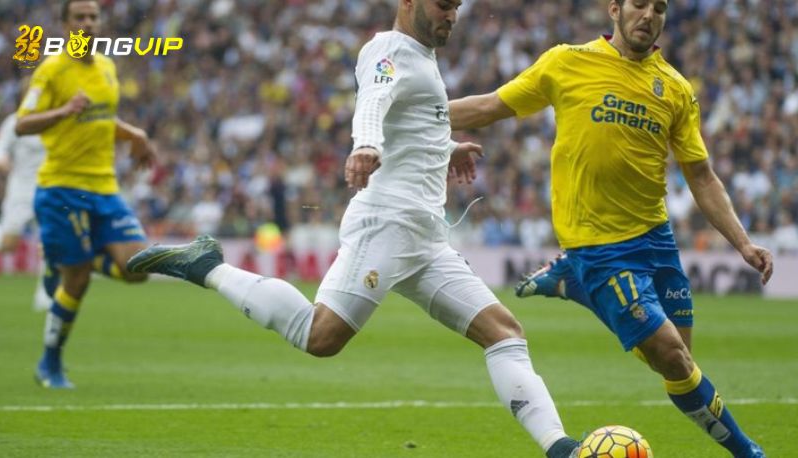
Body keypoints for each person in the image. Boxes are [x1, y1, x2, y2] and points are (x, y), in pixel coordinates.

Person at [128, 0, 581, 456]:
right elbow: (374, 100)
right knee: (319, 337)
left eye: (456, 7)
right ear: (409, 3)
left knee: (504, 332)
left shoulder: (423, 58)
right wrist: (365, 144)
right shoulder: (389, 48)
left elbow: (412, 125)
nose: (452, 15)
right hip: (387, 224)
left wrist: (446, 148)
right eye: (443, 5)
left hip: (424, 239)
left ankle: (560, 447)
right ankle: (208, 266)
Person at [447, 1, 771, 457]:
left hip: (656, 238)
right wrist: (412, 112)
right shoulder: (567, 62)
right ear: (614, 8)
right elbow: (489, 106)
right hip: (598, 246)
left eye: (660, 7)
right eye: (639, 4)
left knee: (679, 364)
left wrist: (742, 242)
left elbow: (701, 175)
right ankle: (749, 452)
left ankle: (573, 285)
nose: (649, 15)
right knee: (672, 355)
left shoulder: (675, 88)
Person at [16, 0, 156, 389]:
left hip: (104, 187)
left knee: (138, 268)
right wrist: (62, 111)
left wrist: (136, 134)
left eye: (93, 17)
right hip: (61, 186)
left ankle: (76, 260)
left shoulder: (107, 67)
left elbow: (101, 119)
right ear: (64, 25)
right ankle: (50, 363)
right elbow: (22, 124)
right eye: (79, 17)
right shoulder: (51, 70)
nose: (88, 23)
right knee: (76, 282)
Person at [0, 104, 50, 311]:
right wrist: (5, 164)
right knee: (9, 244)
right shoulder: (14, 122)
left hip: (48, 189)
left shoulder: (53, 121)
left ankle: (45, 294)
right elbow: (1, 152)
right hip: (20, 191)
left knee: (49, 242)